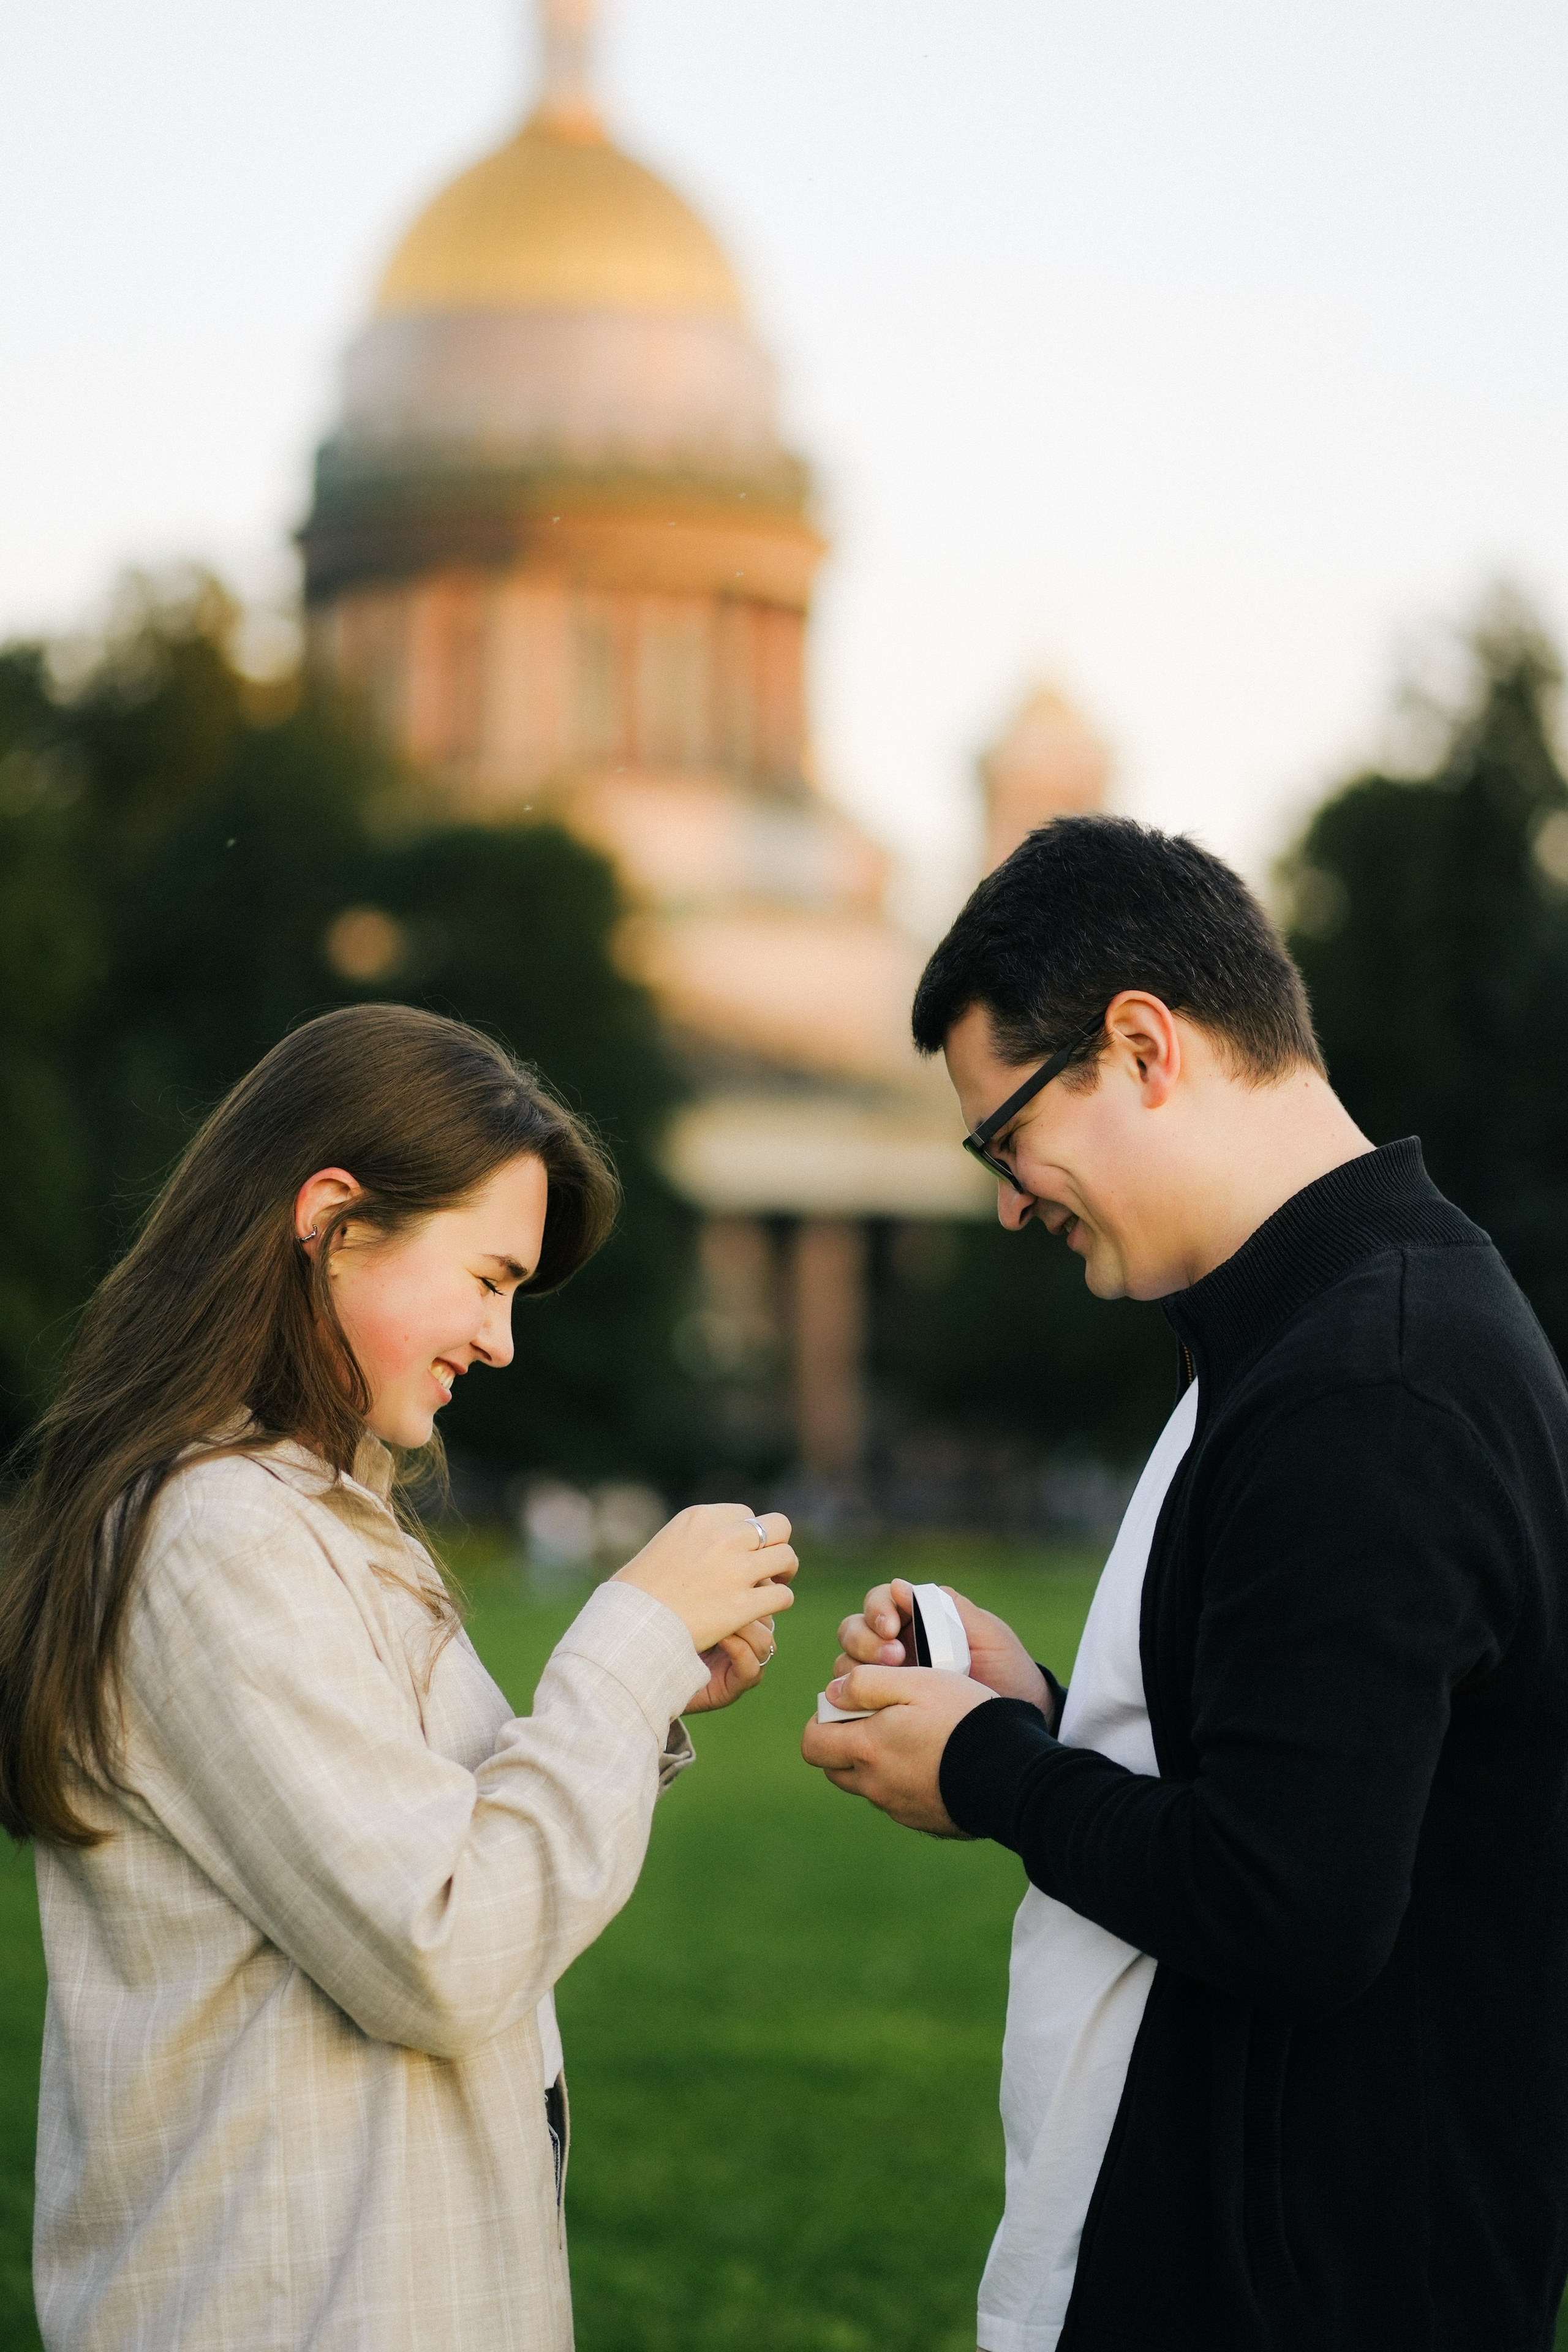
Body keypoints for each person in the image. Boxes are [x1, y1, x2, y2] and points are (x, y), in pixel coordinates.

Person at [802, 815, 1568, 2351]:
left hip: (1316, 2278)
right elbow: (1306, 1769)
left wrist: (988, 1766)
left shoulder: (1372, 1379)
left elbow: (1289, 1905)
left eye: (1001, 1134)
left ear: (1141, 1045)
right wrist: (1035, 1707)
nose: (1009, 1200)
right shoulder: (1322, 1323)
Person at [0, 1003, 796, 2352]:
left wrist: (644, 1687)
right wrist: (623, 1641)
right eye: (488, 1276)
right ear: (333, 1221)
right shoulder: (218, 1533)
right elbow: (441, 1946)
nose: (500, 1339)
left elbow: (436, 1845)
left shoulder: (317, 1514)